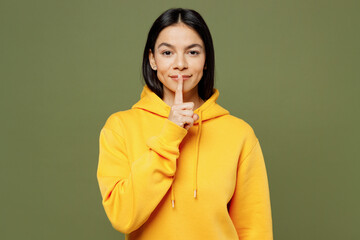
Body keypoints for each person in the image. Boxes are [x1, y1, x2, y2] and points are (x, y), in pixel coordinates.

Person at [96, 8, 273, 240]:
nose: (180, 64)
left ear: (206, 60)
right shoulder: (120, 127)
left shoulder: (239, 134)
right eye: (167, 52)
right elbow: (122, 216)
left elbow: (255, 229)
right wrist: (171, 134)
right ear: (152, 59)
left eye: (192, 52)